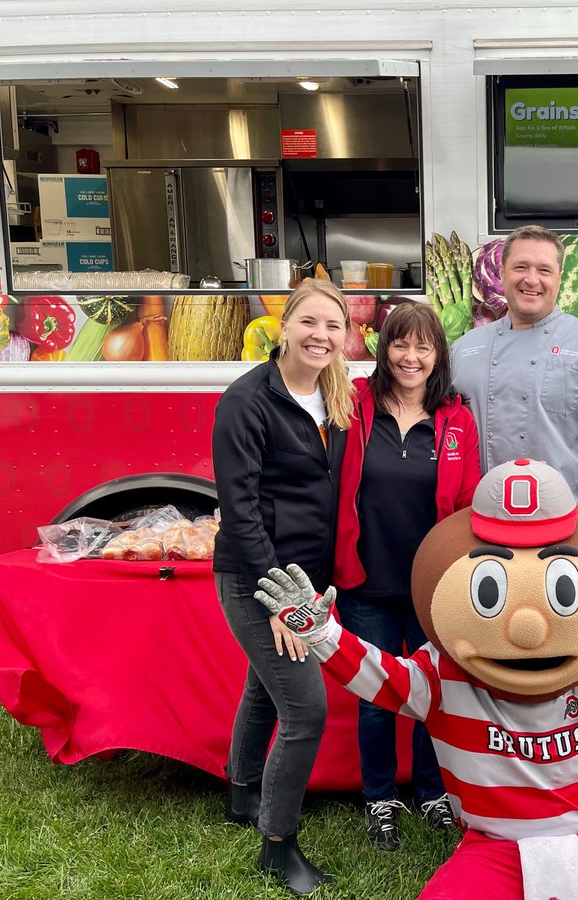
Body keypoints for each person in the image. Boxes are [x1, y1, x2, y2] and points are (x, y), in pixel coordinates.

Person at [254, 458, 578, 900]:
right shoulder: (444, 675)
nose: (529, 628)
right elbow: (378, 676)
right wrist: (320, 632)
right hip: (490, 846)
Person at [450, 224, 578, 843]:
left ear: (559, 279)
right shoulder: (467, 349)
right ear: (501, 275)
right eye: (521, 268)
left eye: (545, 270)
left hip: (571, 544)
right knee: (505, 669)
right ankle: (505, 796)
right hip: (490, 543)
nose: (532, 279)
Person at [211, 279, 355, 896]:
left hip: (309, 579)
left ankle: (242, 794)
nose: (321, 336)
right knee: (305, 708)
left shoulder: (337, 395)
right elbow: (239, 511)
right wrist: (278, 598)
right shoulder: (247, 401)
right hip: (256, 578)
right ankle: (278, 845)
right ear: (286, 325)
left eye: (333, 326)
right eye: (310, 323)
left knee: (263, 690)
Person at [334, 301, 481, 850]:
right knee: (376, 697)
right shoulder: (353, 405)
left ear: (438, 353)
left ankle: (432, 793)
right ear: (383, 348)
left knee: (432, 695)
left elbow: (467, 505)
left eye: (423, 346)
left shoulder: (456, 419)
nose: (411, 357)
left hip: (431, 587)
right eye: (400, 344)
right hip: (365, 581)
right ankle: (379, 800)